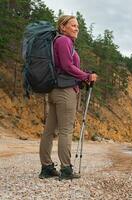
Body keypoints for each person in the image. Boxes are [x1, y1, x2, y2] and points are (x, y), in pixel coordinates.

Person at [39, 15, 97, 180]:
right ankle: (66, 169)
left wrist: (81, 78)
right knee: (65, 130)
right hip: (64, 92)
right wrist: (86, 76)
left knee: (49, 131)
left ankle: (47, 167)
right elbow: (67, 66)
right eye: (73, 25)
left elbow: (66, 68)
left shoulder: (59, 41)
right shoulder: (64, 41)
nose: (76, 28)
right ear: (62, 27)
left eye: (77, 25)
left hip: (55, 91)